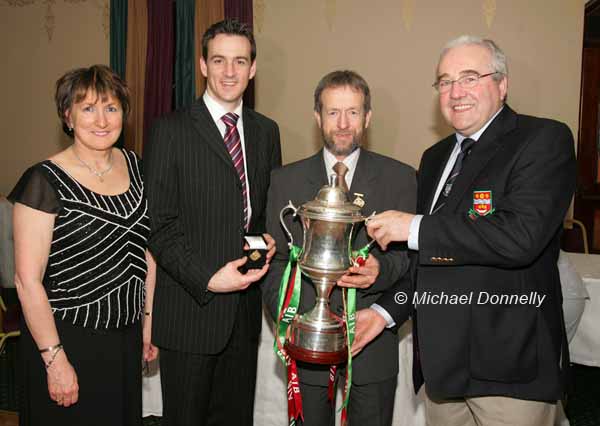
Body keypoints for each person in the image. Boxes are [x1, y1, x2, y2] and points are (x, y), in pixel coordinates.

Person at [355, 36, 576, 426]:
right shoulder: (435, 157)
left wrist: (414, 226)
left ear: (502, 84)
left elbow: (519, 238)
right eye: (445, 81)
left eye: (470, 77)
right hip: (443, 372)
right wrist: (384, 312)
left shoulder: (542, 139)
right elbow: (427, 260)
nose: (456, 92)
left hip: (510, 372)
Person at [143, 19, 281, 425]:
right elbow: (159, 225)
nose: (229, 72)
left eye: (240, 61)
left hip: (244, 313)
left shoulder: (266, 131)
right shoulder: (169, 130)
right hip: (190, 310)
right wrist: (207, 277)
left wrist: (269, 240)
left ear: (253, 68)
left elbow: (261, 211)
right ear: (203, 65)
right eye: (218, 60)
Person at [262, 70, 416, 426]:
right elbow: (277, 262)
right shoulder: (284, 180)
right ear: (318, 117)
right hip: (307, 344)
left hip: (372, 338)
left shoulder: (401, 178)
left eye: (353, 112)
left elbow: (408, 260)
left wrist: (379, 273)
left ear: (368, 117)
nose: (343, 124)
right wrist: (291, 324)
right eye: (333, 113)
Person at [9, 64, 158, 426]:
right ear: (68, 116)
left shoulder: (139, 167)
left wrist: (148, 327)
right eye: (88, 108)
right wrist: (54, 358)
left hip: (124, 341)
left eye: (111, 107)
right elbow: (27, 281)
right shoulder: (42, 180)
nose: (102, 120)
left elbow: (148, 255)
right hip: (66, 339)